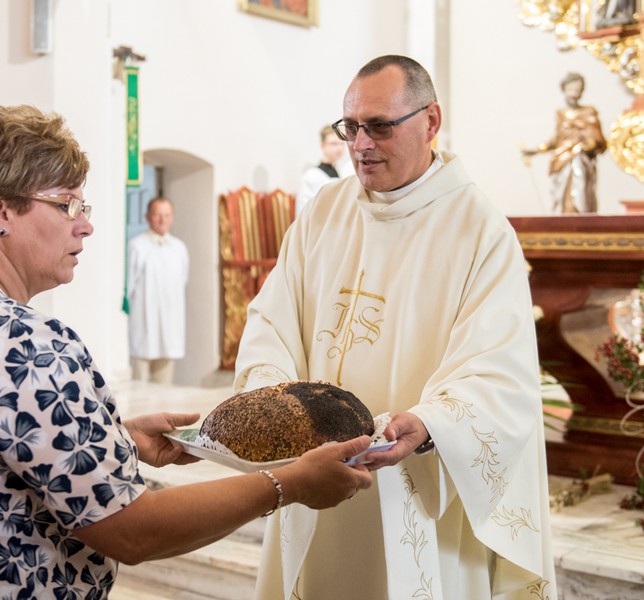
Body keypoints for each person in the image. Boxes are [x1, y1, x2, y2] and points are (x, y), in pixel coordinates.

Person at [0, 105, 374, 599]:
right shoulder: (22, 342)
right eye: (66, 204)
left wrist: (112, 440)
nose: (85, 224)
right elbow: (134, 530)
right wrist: (288, 483)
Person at [235, 55, 555, 600]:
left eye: (380, 126)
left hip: (418, 487)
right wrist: (274, 401)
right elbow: (272, 321)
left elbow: (499, 369)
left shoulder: (479, 230)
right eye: (351, 126)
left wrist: (430, 423)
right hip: (313, 473)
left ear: (431, 121)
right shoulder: (323, 212)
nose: (360, 144)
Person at [522, 72, 606, 214]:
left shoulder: (588, 112)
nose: (574, 93)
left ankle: (580, 219)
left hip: (580, 158)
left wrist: (586, 145)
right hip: (562, 158)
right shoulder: (561, 113)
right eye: (570, 89)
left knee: (579, 192)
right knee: (562, 194)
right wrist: (537, 149)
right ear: (564, 89)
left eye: (577, 89)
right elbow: (558, 139)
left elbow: (597, 139)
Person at [127, 197, 189, 384]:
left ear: (172, 217)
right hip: (144, 324)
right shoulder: (137, 246)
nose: (162, 220)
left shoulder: (179, 247)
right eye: (157, 215)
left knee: (164, 386)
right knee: (139, 384)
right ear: (147, 217)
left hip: (170, 325)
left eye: (167, 215)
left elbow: (183, 280)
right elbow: (129, 285)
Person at [295, 124, 346, 215]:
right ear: (322, 145)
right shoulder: (311, 176)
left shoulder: (344, 173)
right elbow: (303, 211)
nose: (339, 148)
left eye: (342, 143)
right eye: (333, 144)